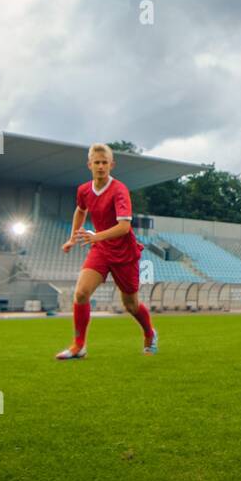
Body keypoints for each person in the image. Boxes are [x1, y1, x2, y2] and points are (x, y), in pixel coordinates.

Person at [57, 144, 157, 359]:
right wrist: (72, 238)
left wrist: (96, 236)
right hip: (101, 249)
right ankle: (79, 346)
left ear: (112, 165)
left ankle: (149, 333)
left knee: (130, 305)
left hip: (125, 253)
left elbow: (124, 227)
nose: (101, 166)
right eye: (97, 162)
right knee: (81, 293)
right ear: (89, 164)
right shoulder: (84, 190)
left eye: (104, 162)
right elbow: (80, 210)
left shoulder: (119, 190)